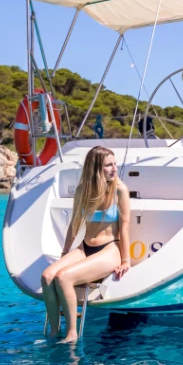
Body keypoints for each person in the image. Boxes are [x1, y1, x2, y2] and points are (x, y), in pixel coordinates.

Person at [40, 146, 131, 342]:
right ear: (96, 168)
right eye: (108, 165)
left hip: (109, 249)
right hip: (84, 247)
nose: (114, 168)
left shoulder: (120, 190)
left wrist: (126, 260)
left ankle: (71, 333)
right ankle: (54, 331)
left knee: (63, 278)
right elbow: (74, 224)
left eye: (114, 164)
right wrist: (65, 253)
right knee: (47, 276)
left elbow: (124, 228)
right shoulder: (83, 190)